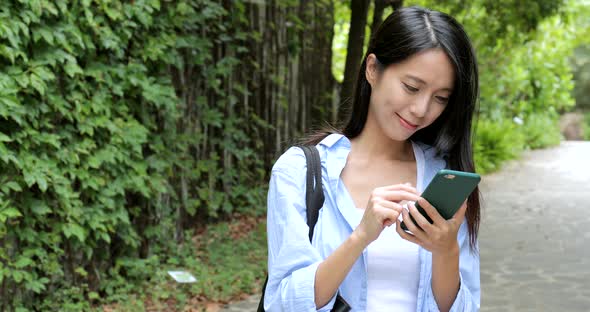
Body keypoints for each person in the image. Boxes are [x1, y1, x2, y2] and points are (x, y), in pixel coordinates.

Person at [263, 6, 481, 312]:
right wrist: (360, 237)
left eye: (440, 98)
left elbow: (464, 307)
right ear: (372, 69)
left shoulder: (443, 177)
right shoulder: (299, 172)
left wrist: (446, 251)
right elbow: (283, 304)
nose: (421, 109)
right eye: (412, 87)